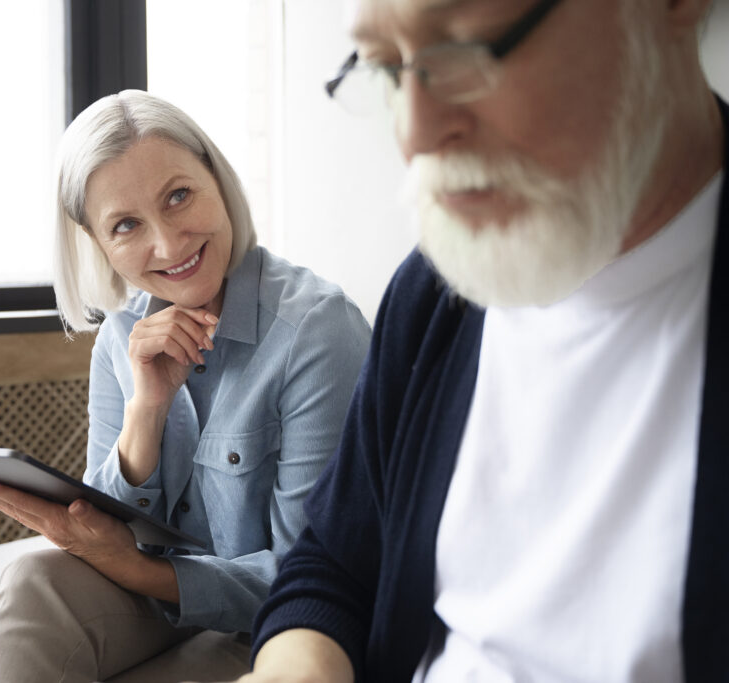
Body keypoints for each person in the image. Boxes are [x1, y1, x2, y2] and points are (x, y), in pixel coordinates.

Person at [245, 0, 727, 681]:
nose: (413, 132)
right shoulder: (436, 292)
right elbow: (337, 559)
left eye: (472, 48)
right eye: (385, 66)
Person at [0, 90, 371, 683]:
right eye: (126, 225)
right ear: (98, 243)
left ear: (217, 182)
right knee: (33, 580)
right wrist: (146, 411)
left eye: (178, 196)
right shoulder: (120, 336)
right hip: (154, 600)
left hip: (274, 627)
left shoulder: (317, 330)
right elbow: (99, 529)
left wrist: (140, 571)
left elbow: (313, 576)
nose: (170, 246)